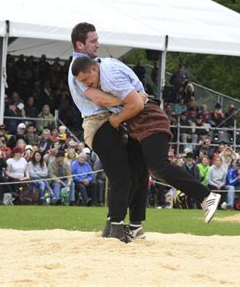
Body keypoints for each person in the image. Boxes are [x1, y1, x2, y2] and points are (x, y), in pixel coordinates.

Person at [72, 56, 220, 220]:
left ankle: (206, 196)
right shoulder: (105, 70)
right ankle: (135, 226)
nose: (85, 83)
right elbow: (122, 99)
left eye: (85, 79)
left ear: (93, 69)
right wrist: (132, 99)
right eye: (81, 81)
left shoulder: (108, 77)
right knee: (137, 174)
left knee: (158, 166)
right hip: (137, 127)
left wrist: (116, 120)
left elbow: (137, 105)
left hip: (150, 121)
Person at [68, 22, 148, 242]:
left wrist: (130, 100)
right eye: (93, 41)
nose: (97, 44)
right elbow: (99, 98)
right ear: (80, 44)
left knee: (134, 172)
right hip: (98, 123)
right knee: (122, 174)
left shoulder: (98, 65)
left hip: (113, 120)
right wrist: (130, 99)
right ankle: (115, 228)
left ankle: (120, 225)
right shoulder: (80, 68)